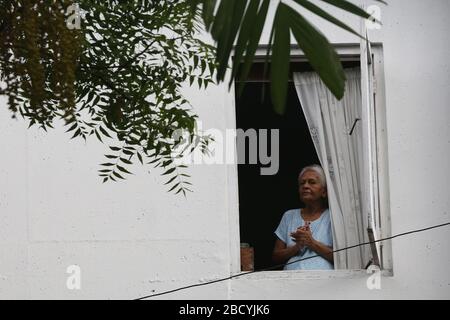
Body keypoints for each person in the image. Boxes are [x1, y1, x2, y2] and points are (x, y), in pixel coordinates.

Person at [272, 164, 334, 270]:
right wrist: (297, 247)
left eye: (312, 182)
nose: (305, 186)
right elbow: (276, 257)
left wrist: (311, 242)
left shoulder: (333, 217)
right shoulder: (289, 216)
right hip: (290, 281)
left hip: (324, 282)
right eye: (302, 183)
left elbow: (343, 257)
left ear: (324, 192)